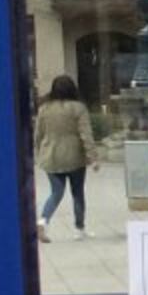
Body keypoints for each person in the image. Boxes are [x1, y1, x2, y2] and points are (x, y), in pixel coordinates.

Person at [34, 73, 96, 241]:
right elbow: (86, 134)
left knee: (56, 192)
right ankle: (79, 229)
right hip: (74, 157)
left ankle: (43, 221)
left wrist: (38, 153)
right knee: (77, 193)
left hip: (50, 156)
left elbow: (38, 134)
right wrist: (93, 157)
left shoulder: (44, 108)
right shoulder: (78, 108)